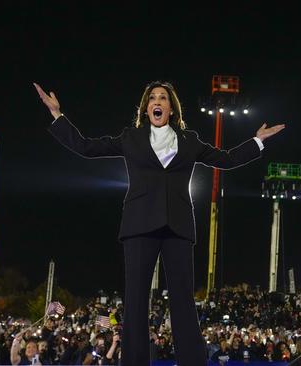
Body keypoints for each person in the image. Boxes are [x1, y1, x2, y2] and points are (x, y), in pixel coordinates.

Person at [34, 80, 285, 365]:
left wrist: (258, 140)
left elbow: (226, 159)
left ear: (171, 109)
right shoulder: (130, 138)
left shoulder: (190, 140)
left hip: (178, 228)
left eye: (163, 98)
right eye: (152, 97)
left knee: (183, 301)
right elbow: (86, 147)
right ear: (146, 108)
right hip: (139, 225)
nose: (157, 101)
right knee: (136, 300)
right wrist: (57, 115)